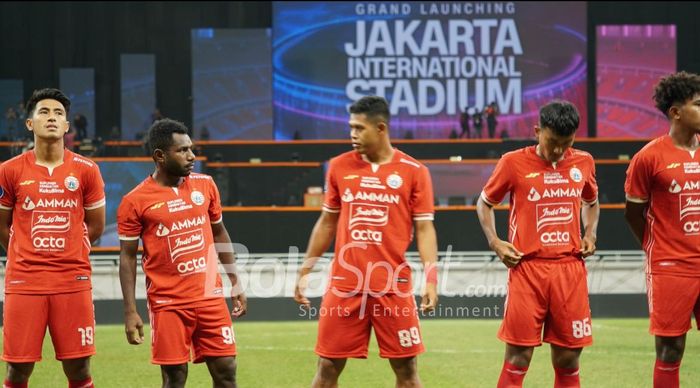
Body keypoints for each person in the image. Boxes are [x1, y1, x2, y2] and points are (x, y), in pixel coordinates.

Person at [294, 95, 439, 387]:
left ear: (381, 128)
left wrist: (432, 279)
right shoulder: (338, 166)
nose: (352, 134)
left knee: (408, 372)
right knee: (326, 369)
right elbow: (327, 222)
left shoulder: (414, 171)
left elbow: (425, 229)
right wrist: (305, 269)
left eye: (359, 128)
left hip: (393, 286)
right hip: (346, 284)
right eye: (351, 127)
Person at [476, 100, 599, 388]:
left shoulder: (583, 162)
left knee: (569, 358)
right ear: (537, 131)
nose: (558, 150)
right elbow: (483, 204)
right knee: (518, 357)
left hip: (570, 271)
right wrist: (495, 242)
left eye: (566, 143)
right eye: (553, 141)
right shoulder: (512, 162)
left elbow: (591, 202)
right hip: (527, 270)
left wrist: (590, 233)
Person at [117, 118, 247, 388]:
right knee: (175, 378)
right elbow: (127, 258)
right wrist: (130, 311)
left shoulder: (206, 185)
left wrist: (235, 280)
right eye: (183, 150)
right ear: (160, 156)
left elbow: (220, 233)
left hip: (210, 297)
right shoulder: (134, 201)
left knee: (227, 372)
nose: (192, 156)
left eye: (192, 148)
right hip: (169, 304)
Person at [0, 88, 105, 388]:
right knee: (17, 371)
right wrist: (25, 253)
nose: (52, 118)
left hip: (72, 281)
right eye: (44, 112)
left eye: (59, 113)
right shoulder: (8, 171)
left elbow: (95, 226)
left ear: (68, 126)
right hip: (24, 283)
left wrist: (69, 253)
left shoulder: (87, 170)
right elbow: (1, 225)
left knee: (79, 370)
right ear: (30, 124)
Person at [624, 71, 700, 388]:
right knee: (671, 348)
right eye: (698, 104)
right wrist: (660, 248)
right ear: (676, 112)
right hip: (671, 267)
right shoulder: (648, 158)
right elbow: (633, 214)